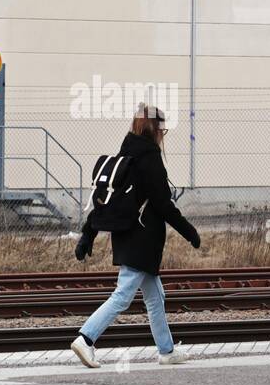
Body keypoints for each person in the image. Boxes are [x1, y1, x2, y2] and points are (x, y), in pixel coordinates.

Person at [70, 103, 200, 368]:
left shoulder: (125, 155)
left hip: (128, 236)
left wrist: (88, 234)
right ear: (154, 129)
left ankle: (166, 350)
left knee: (155, 296)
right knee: (123, 295)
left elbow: (105, 202)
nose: (163, 135)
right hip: (143, 239)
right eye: (162, 129)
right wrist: (190, 232)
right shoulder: (150, 160)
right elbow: (164, 205)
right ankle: (86, 338)